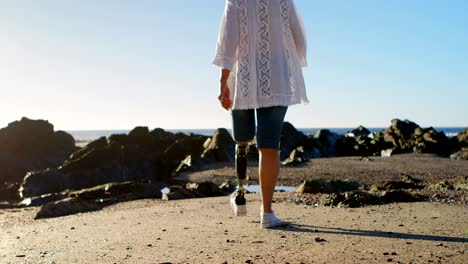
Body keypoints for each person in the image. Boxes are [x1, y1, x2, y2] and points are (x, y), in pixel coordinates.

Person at [212, 0, 308, 229]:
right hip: (277, 74)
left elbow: (227, 40)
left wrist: (223, 80)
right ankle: (267, 212)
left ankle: (241, 193)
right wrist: (291, 60)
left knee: (241, 137)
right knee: (269, 145)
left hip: (244, 73)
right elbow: (299, 37)